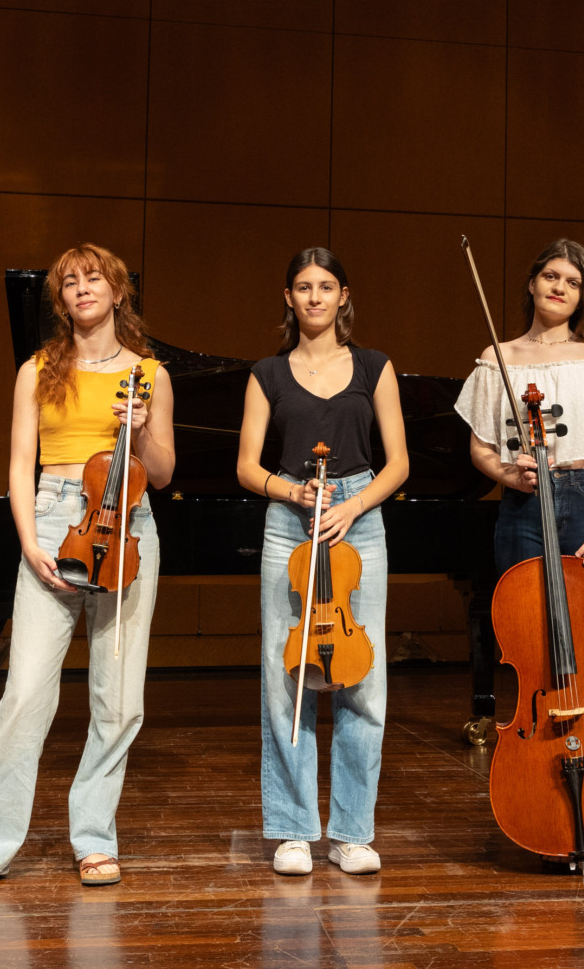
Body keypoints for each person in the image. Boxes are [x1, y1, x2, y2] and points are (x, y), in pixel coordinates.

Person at [0, 243, 175, 891]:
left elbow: (162, 473)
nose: (81, 289)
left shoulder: (150, 374)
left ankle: (95, 838)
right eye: (69, 282)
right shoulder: (37, 369)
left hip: (129, 527)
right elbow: (21, 466)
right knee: (23, 695)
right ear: (60, 299)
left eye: (93, 278)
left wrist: (142, 427)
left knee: (119, 698)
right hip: (52, 518)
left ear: (118, 290)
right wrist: (29, 540)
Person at [454, 238, 584, 860]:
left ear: (582, 293)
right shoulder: (498, 359)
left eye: (572, 280)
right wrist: (508, 474)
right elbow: (483, 447)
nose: (560, 287)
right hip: (524, 507)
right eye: (550, 275)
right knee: (532, 646)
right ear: (532, 283)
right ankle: (535, 792)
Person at [236, 247, 408, 877]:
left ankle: (353, 832)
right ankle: (292, 830)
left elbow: (400, 462)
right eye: (303, 287)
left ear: (343, 296)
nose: (314, 297)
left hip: (359, 520)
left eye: (326, 286)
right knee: (288, 678)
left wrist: (353, 505)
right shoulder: (267, 374)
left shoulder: (374, 366)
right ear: (289, 298)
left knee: (361, 676)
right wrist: (294, 492)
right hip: (289, 522)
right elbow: (247, 465)